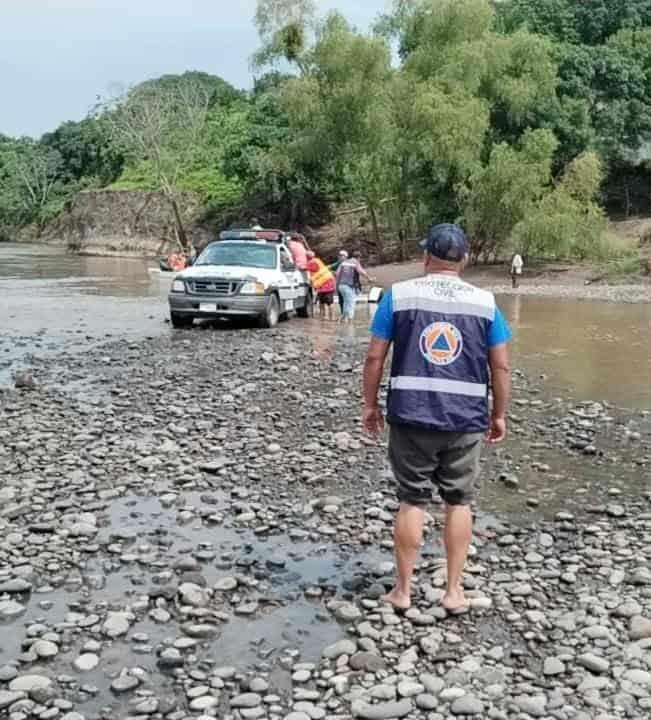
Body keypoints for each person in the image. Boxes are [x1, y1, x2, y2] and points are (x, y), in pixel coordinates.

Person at [362, 223, 512, 615]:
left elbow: (375, 356)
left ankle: (403, 591)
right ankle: (453, 591)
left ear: (426, 256)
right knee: (458, 500)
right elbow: (501, 367)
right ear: (463, 260)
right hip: (465, 419)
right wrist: (499, 414)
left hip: (411, 415)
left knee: (412, 499)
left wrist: (370, 405)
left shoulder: (399, 296)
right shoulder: (485, 302)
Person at [336, 251, 372, 323]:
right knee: (351, 303)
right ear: (359, 257)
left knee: (346, 302)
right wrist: (369, 278)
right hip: (348, 286)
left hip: (341, 286)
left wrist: (338, 284)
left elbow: (337, 273)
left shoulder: (344, 262)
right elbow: (361, 271)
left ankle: (342, 319)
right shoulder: (355, 262)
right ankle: (350, 321)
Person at [306, 250, 336, 321]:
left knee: (326, 302)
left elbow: (305, 269)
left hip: (325, 283)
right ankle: (329, 317)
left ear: (307, 257)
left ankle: (326, 317)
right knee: (326, 302)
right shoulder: (317, 260)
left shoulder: (311, 263)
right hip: (326, 283)